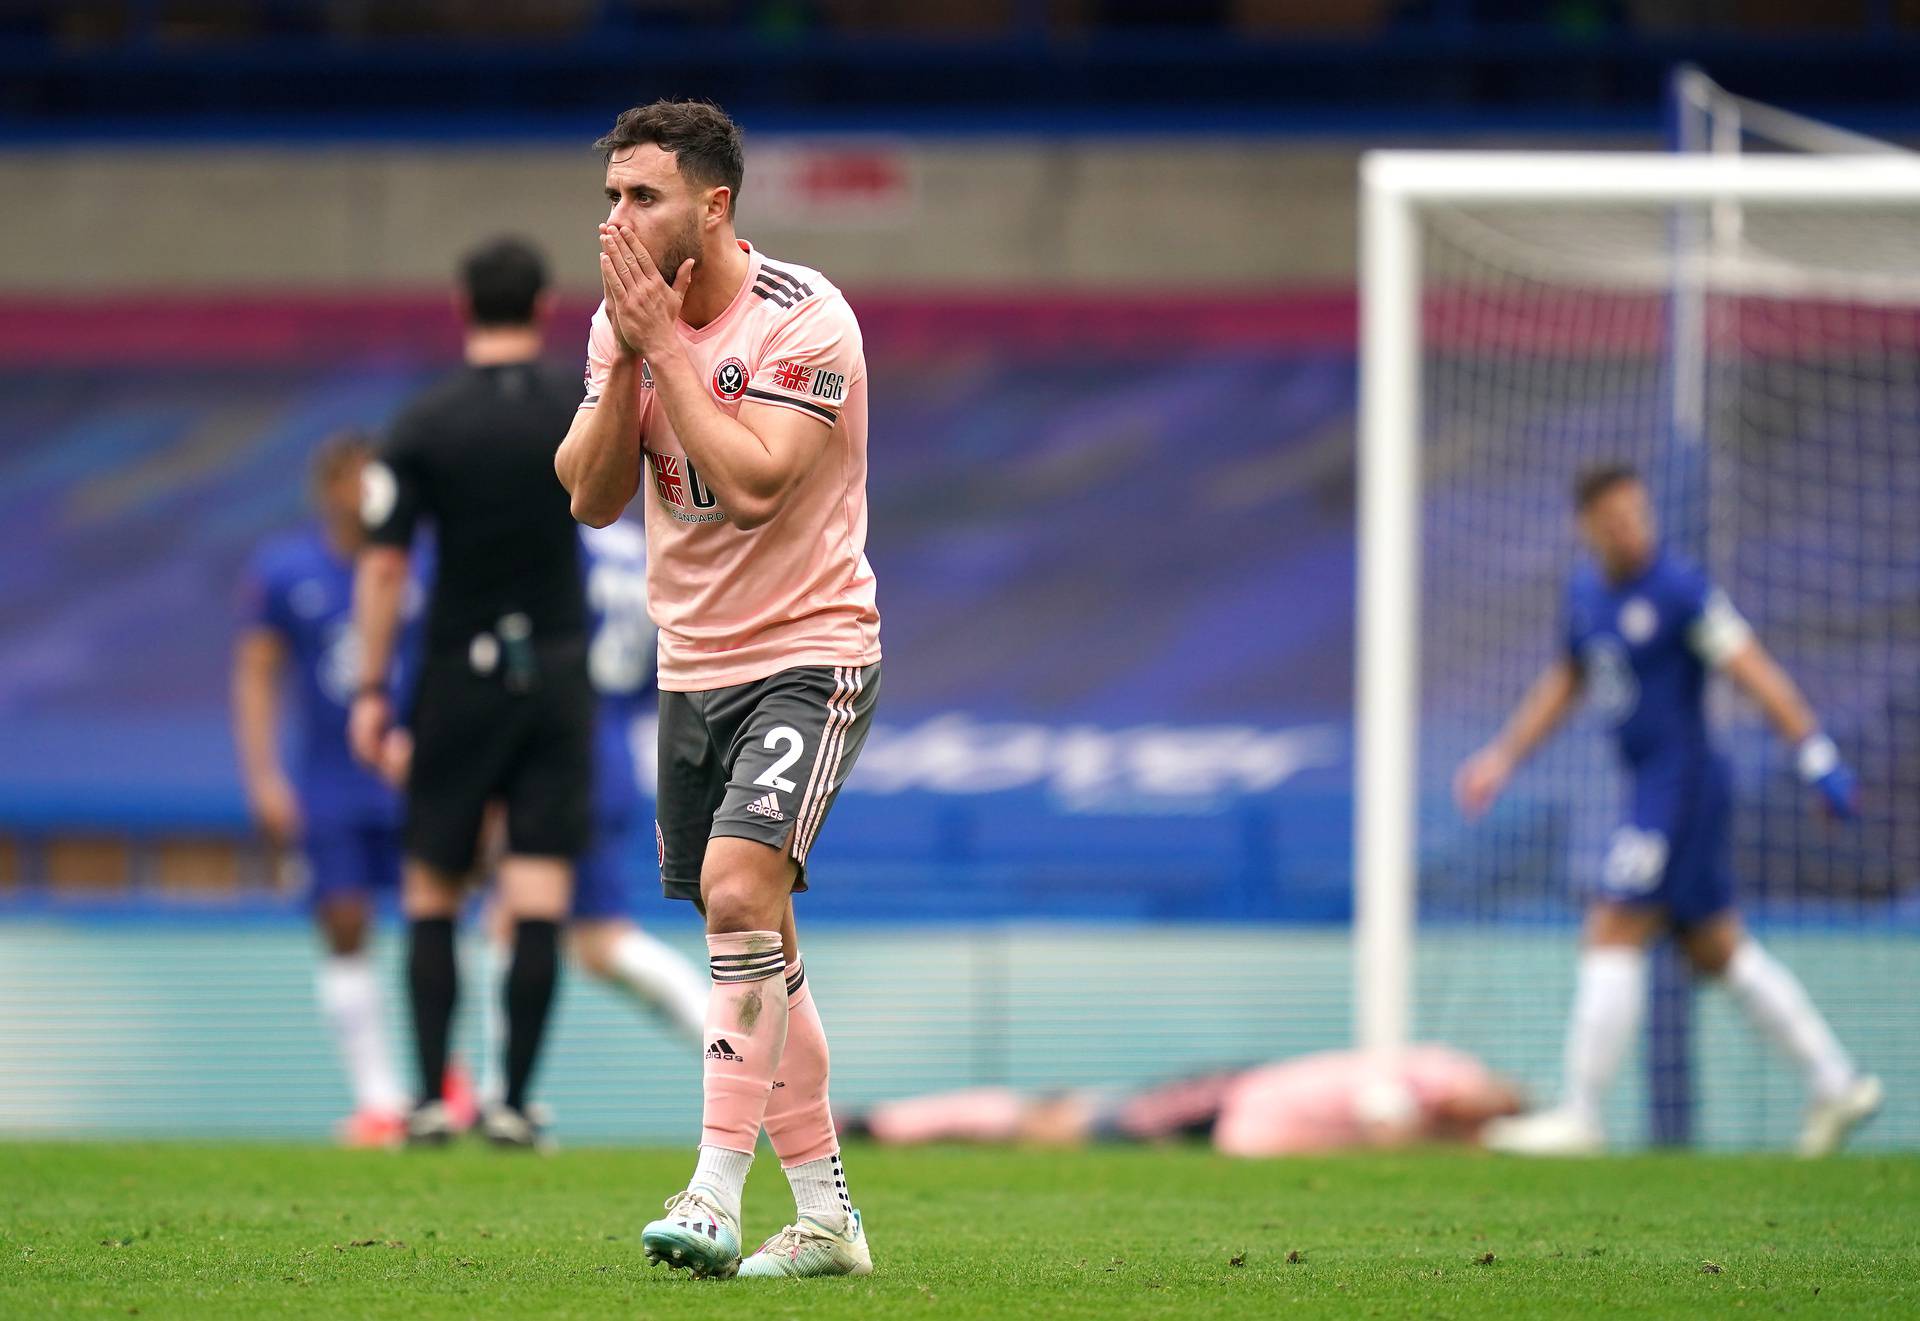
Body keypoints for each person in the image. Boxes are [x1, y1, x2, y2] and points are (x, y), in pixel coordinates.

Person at [555, 99, 883, 1280]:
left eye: (642, 196)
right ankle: (830, 1217)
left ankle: (710, 1192)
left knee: (738, 891)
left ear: (715, 205)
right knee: (758, 938)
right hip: (692, 667)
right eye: (610, 198)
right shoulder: (622, 326)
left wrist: (671, 350)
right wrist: (630, 355)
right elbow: (591, 495)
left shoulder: (809, 319)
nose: (620, 219)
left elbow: (750, 484)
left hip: (811, 650)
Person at [1455, 464, 1882, 1156]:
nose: (1631, 529)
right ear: (1587, 527)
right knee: (1718, 949)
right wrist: (1502, 757)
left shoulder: (1680, 590)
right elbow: (1567, 679)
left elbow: (1754, 669)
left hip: (1681, 786)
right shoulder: (1586, 594)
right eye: (1616, 519)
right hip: (1649, 786)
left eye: (1639, 514)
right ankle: (1833, 1081)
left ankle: (1582, 1114)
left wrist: (1816, 757)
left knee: (1612, 926)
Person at [350, 237, 593, 1150]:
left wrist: (374, 687)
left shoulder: (420, 423)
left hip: (454, 672)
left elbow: (383, 565)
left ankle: (424, 1101)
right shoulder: (580, 410)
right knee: (538, 886)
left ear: (461, 303)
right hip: (559, 669)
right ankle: (514, 1103)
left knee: (431, 886)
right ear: (544, 304)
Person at [474, 519, 709, 1110]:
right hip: (610, 745)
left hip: (554, 745)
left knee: (519, 916)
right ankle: (752, 1070)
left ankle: (502, 1095)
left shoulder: (548, 542)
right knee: (595, 941)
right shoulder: (638, 545)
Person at [231, 431, 413, 1146]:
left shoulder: (417, 561)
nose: (365, 494)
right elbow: (255, 673)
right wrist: (264, 776)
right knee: (343, 923)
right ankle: (378, 1097)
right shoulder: (286, 569)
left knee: (443, 914)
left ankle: (452, 1083)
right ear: (328, 489)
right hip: (330, 780)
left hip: (411, 771)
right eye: (354, 480)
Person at [845, 1045, 1524, 1156]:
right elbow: (1387, 1125)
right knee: (1058, 1124)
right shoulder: (1433, 1074)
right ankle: (888, 1123)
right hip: (1239, 1100)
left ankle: (892, 1123)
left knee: (1060, 1120)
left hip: (1242, 1101)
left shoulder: (1439, 1077)